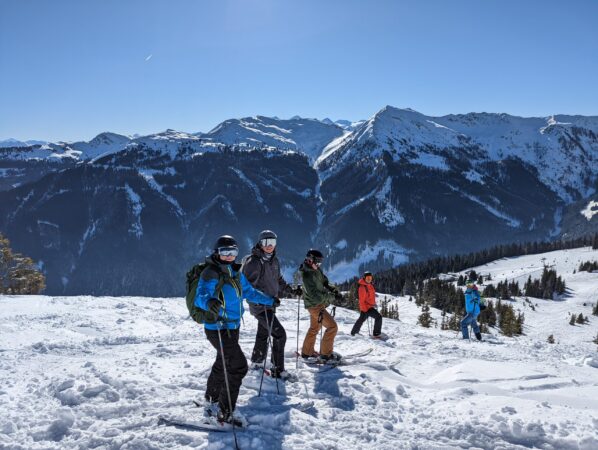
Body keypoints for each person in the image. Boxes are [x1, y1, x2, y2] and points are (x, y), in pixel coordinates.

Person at [194, 235, 274, 426]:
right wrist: (209, 301)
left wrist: (270, 300)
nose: (230, 256)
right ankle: (224, 412)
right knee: (238, 366)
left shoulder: (235, 272)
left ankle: (211, 399)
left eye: (233, 252)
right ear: (217, 253)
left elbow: (249, 292)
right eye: (225, 252)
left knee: (223, 361)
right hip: (218, 327)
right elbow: (200, 296)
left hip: (233, 327)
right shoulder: (211, 273)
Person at [242, 230, 302, 380]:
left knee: (263, 333)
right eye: (266, 243)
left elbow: (278, 279)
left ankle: (256, 363)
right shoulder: (254, 262)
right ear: (260, 244)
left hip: (271, 305)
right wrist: (264, 301)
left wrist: (291, 290)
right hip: (260, 307)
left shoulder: (274, 260)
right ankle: (278, 370)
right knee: (280, 334)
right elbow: (248, 289)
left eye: (272, 243)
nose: (269, 246)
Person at [299, 249, 344, 363]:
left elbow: (324, 281)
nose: (319, 265)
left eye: (320, 262)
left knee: (315, 328)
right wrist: (332, 297)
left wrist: (333, 289)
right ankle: (326, 355)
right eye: (317, 262)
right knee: (332, 327)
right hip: (315, 306)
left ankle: (307, 352)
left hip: (316, 305)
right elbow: (316, 297)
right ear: (310, 260)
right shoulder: (307, 275)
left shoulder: (316, 270)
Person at [350, 271, 383, 338]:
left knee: (361, 319)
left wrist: (373, 303)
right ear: (364, 278)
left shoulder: (369, 285)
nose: (369, 279)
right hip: (367, 308)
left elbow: (370, 296)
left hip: (369, 306)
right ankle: (376, 334)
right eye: (367, 278)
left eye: (370, 278)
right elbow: (361, 300)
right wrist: (365, 310)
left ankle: (354, 332)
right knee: (378, 317)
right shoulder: (362, 287)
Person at [461, 272, 482, 341]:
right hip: (471, 311)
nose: (468, 285)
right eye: (467, 284)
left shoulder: (474, 291)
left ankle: (466, 339)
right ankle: (479, 337)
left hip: (473, 312)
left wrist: (476, 299)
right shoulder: (468, 291)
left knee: (463, 323)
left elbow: (478, 298)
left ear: (472, 285)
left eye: (470, 284)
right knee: (473, 324)